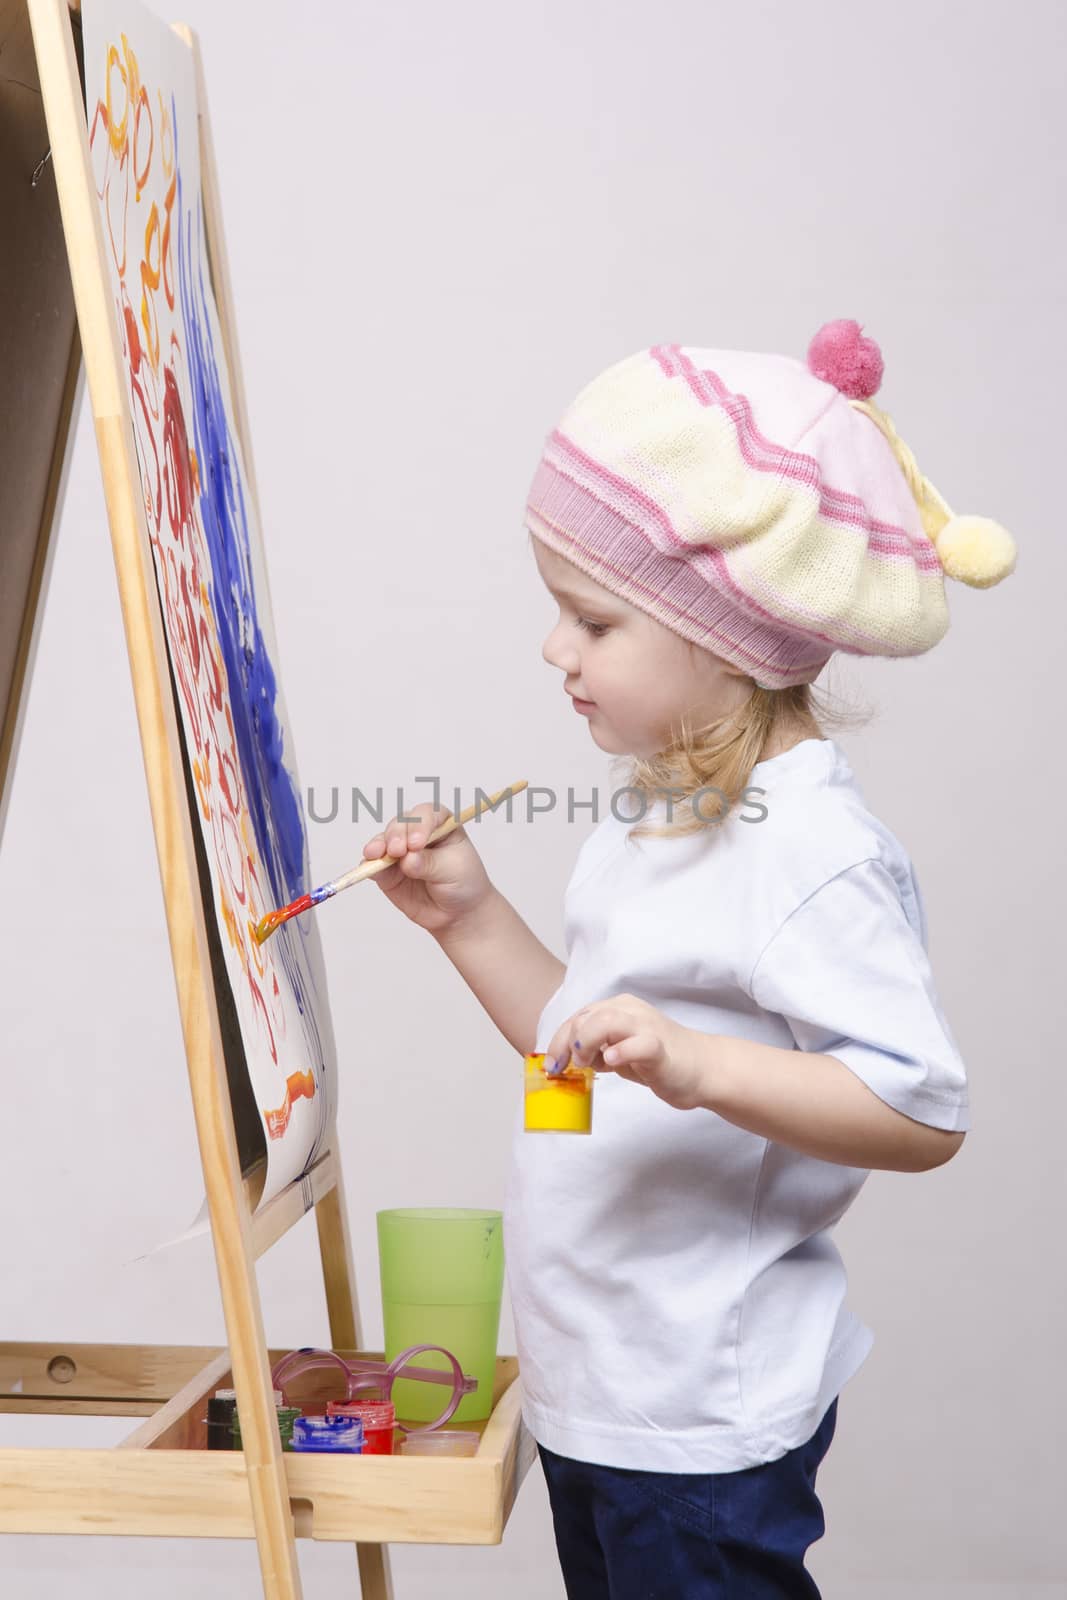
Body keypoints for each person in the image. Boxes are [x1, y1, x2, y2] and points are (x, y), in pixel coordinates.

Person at [359, 319, 1017, 1598]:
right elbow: (578, 1034)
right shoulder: (667, 804)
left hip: (694, 1414)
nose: (556, 650)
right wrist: (466, 916)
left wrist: (697, 1061)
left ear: (725, 639)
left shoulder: (808, 846)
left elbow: (916, 1105)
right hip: (600, 1386)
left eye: (590, 619)